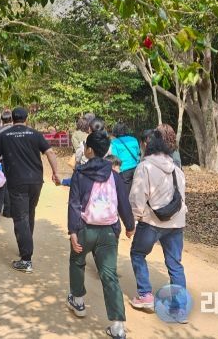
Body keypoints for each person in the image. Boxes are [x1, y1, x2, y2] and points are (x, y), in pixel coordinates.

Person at [67, 131, 135, 339]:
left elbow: (74, 204)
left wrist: (72, 232)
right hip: (109, 232)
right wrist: (130, 225)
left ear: (88, 150)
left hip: (84, 229)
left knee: (77, 261)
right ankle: (118, 327)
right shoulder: (115, 176)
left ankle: (78, 301)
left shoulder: (79, 174)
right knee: (109, 275)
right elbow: (123, 203)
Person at [0, 107, 61, 273]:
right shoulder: (35, 134)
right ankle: (26, 246)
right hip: (36, 181)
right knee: (29, 213)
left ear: (12, 119)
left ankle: (26, 259)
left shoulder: (4, 135)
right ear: (27, 118)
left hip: (17, 182)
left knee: (20, 218)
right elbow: (50, 153)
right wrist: (56, 173)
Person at [129, 130, 188, 322]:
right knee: (175, 264)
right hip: (176, 223)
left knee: (138, 254)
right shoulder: (177, 170)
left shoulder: (144, 167)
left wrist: (133, 220)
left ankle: (145, 295)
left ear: (148, 147)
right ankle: (180, 308)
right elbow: (181, 198)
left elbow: (137, 197)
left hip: (151, 221)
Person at [109, 123, 141, 191]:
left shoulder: (114, 142)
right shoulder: (134, 139)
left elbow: (115, 157)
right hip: (136, 168)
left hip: (124, 170)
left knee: (126, 192)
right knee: (137, 190)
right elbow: (138, 153)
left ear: (115, 131)